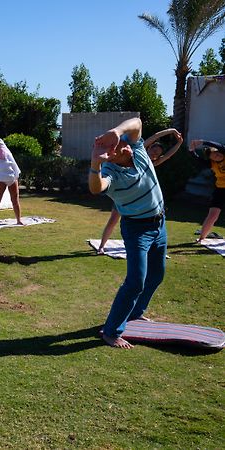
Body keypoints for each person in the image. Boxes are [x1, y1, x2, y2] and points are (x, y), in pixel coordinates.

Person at [89, 117, 167, 349]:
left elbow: (137, 123)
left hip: (160, 224)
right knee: (135, 281)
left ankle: (135, 313)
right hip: (137, 229)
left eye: (124, 142)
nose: (126, 145)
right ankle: (111, 331)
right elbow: (96, 187)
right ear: (111, 156)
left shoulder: (137, 151)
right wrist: (95, 164)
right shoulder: (111, 174)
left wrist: (116, 130)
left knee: (157, 275)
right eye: (120, 146)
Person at [97, 128, 183, 254]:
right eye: (153, 150)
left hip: (141, 203)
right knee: (113, 220)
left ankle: (142, 244)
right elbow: (154, 136)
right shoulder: (138, 151)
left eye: (157, 154)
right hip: (125, 198)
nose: (154, 154)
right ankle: (102, 246)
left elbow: (169, 155)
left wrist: (179, 143)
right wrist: (170, 131)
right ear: (148, 148)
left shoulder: (152, 163)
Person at [189, 139, 225, 241]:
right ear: (211, 159)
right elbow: (196, 158)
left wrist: (203, 141)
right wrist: (191, 150)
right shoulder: (212, 164)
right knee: (213, 215)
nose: (217, 156)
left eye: (217, 153)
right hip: (220, 190)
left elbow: (220, 145)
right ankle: (202, 238)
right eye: (213, 156)